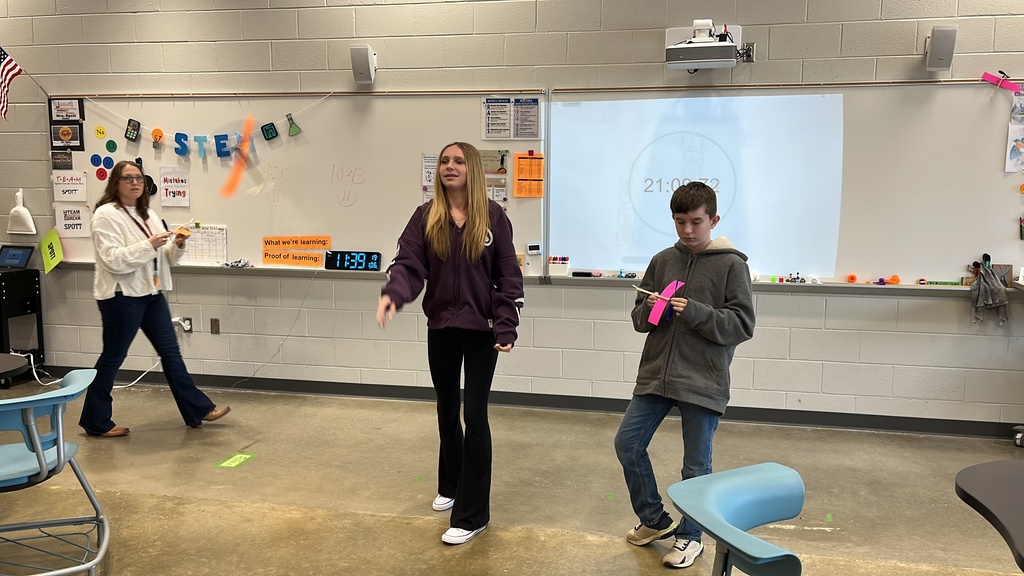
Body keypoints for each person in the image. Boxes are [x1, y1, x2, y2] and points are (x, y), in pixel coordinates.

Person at [376, 141, 524, 545]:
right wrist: (395, 292)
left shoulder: (494, 218)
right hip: (441, 327)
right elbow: (409, 264)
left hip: (481, 332)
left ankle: (473, 514)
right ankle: (451, 483)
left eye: (458, 161)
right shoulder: (426, 217)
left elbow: (508, 276)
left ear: (472, 169)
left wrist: (506, 325)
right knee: (446, 409)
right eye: (444, 161)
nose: (450, 166)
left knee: (474, 416)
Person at [613, 182, 755, 569]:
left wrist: (694, 312)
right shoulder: (662, 260)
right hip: (656, 375)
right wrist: (653, 310)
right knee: (627, 444)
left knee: (696, 467)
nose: (688, 231)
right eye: (680, 222)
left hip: (702, 381)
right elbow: (639, 320)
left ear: (714, 220)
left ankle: (691, 537)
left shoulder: (732, 265)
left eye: (696, 222)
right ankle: (654, 520)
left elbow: (742, 325)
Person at [79, 160, 230, 437]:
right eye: (128, 178)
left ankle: (198, 409)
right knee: (113, 356)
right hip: (121, 296)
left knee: (171, 352)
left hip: (151, 293)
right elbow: (113, 260)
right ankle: (96, 421)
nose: (135, 183)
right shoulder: (105, 215)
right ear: (116, 183)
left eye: (138, 178)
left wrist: (177, 245)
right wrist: (149, 245)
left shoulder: (148, 214)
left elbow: (164, 258)